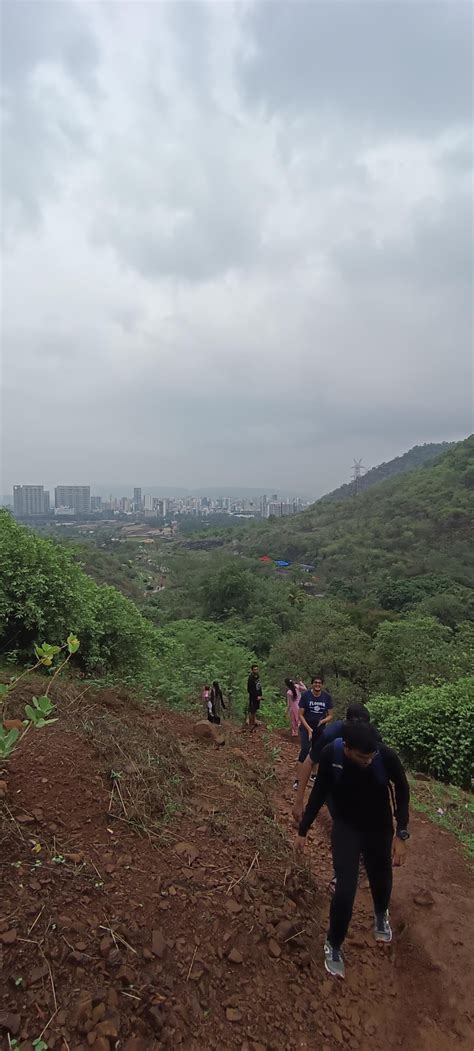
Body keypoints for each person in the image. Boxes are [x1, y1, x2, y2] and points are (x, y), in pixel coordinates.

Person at [296, 720, 410, 979]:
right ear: (347, 748)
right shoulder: (331, 755)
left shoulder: (385, 757)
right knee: (345, 888)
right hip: (346, 827)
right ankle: (333, 944)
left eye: (371, 756)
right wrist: (303, 830)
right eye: (362, 757)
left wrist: (401, 833)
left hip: (379, 829)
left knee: (381, 877)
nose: (368, 761)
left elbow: (402, 789)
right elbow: (319, 793)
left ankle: (381, 914)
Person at [293, 702, 371, 821]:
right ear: (346, 722)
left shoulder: (370, 736)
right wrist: (299, 801)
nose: (359, 732)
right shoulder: (330, 735)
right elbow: (309, 763)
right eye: (355, 727)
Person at [294, 675, 333, 789]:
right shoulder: (306, 695)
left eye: (319, 683)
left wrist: (323, 721)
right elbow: (300, 714)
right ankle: (298, 779)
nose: (317, 684)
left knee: (318, 750)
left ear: (322, 684)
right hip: (306, 728)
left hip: (320, 729)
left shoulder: (326, 697)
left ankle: (314, 775)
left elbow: (330, 715)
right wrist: (308, 728)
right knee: (305, 750)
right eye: (315, 682)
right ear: (312, 684)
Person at [247, 664, 263, 731]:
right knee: (252, 710)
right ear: (252, 670)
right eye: (255, 669)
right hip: (253, 697)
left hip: (258, 696)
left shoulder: (257, 677)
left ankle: (254, 722)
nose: (256, 670)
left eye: (257, 669)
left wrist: (260, 695)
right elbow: (249, 689)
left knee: (255, 710)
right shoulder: (251, 678)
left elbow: (259, 686)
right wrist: (256, 696)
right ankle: (250, 725)